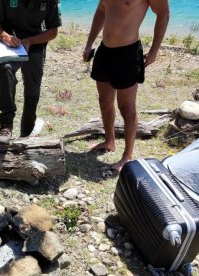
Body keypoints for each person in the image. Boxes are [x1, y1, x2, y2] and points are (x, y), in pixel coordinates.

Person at [82, 0, 170, 171]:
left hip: (128, 54)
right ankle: (109, 141)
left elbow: (164, 13)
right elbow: (101, 10)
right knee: (104, 101)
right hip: (104, 51)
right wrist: (89, 43)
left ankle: (127, 156)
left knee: (127, 108)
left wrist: (154, 51)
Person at [0, 0, 62, 143]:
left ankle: (26, 132)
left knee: (32, 89)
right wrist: (5, 36)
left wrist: (31, 41)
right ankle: (6, 125)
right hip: (8, 45)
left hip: (35, 45)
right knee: (5, 69)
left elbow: (53, 32)